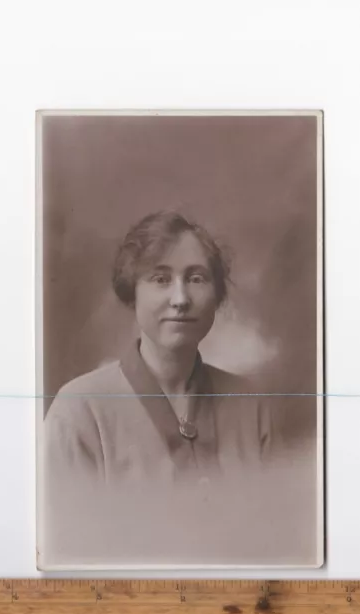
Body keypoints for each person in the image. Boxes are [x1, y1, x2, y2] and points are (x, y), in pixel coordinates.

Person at [38, 211, 318, 569]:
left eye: (196, 278)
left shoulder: (251, 404)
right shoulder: (78, 411)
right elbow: (64, 559)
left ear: (216, 295)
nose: (181, 298)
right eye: (160, 279)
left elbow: (283, 545)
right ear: (131, 292)